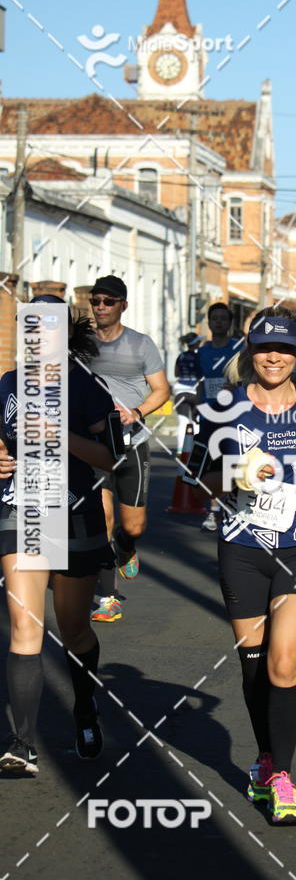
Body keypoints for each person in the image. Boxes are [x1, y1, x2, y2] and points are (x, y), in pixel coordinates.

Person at [200, 307, 296, 823]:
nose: (275, 357)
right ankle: (265, 759)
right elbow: (204, 481)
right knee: (254, 669)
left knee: (283, 661)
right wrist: (237, 473)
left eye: (286, 349)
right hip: (243, 549)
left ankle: (283, 776)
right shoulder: (225, 407)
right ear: (251, 351)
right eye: (266, 348)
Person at [0, 295, 117, 774]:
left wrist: (58, 433)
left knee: (73, 630)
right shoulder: (8, 383)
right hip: (21, 511)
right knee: (26, 629)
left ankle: (85, 708)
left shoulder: (87, 386)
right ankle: (20, 743)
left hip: (74, 515)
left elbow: (111, 459)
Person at [88, 276, 170, 623]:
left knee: (133, 525)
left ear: (123, 304)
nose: (101, 307)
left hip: (132, 443)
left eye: (108, 301)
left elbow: (161, 390)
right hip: (94, 445)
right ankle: (108, 597)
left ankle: (127, 546)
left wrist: (136, 413)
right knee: (102, 517)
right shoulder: (81, 343)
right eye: (96, 301)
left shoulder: (140, 344)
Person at [195, 302, 243, 532]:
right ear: (209, 322)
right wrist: (197, 404)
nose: (219, 322)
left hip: (233, 415)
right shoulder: (202, 352)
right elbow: (200, 382)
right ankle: (213, 511)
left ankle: (231, 507)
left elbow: (246, 381)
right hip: (209, 415)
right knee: (212, 464)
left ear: (230, 323)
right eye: (215, 318)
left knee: (232, 462)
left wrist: (236, 388)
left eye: (224, 318)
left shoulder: (238, 349)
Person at [173, 332, 202, 454]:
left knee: (183, 421)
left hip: (180, 391)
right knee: (196, 420)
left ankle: (180, 449)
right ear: (195, 343)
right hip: (195, 391)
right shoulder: (200, 356)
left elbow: (176, 373)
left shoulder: (181, 356)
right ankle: (194, 448)